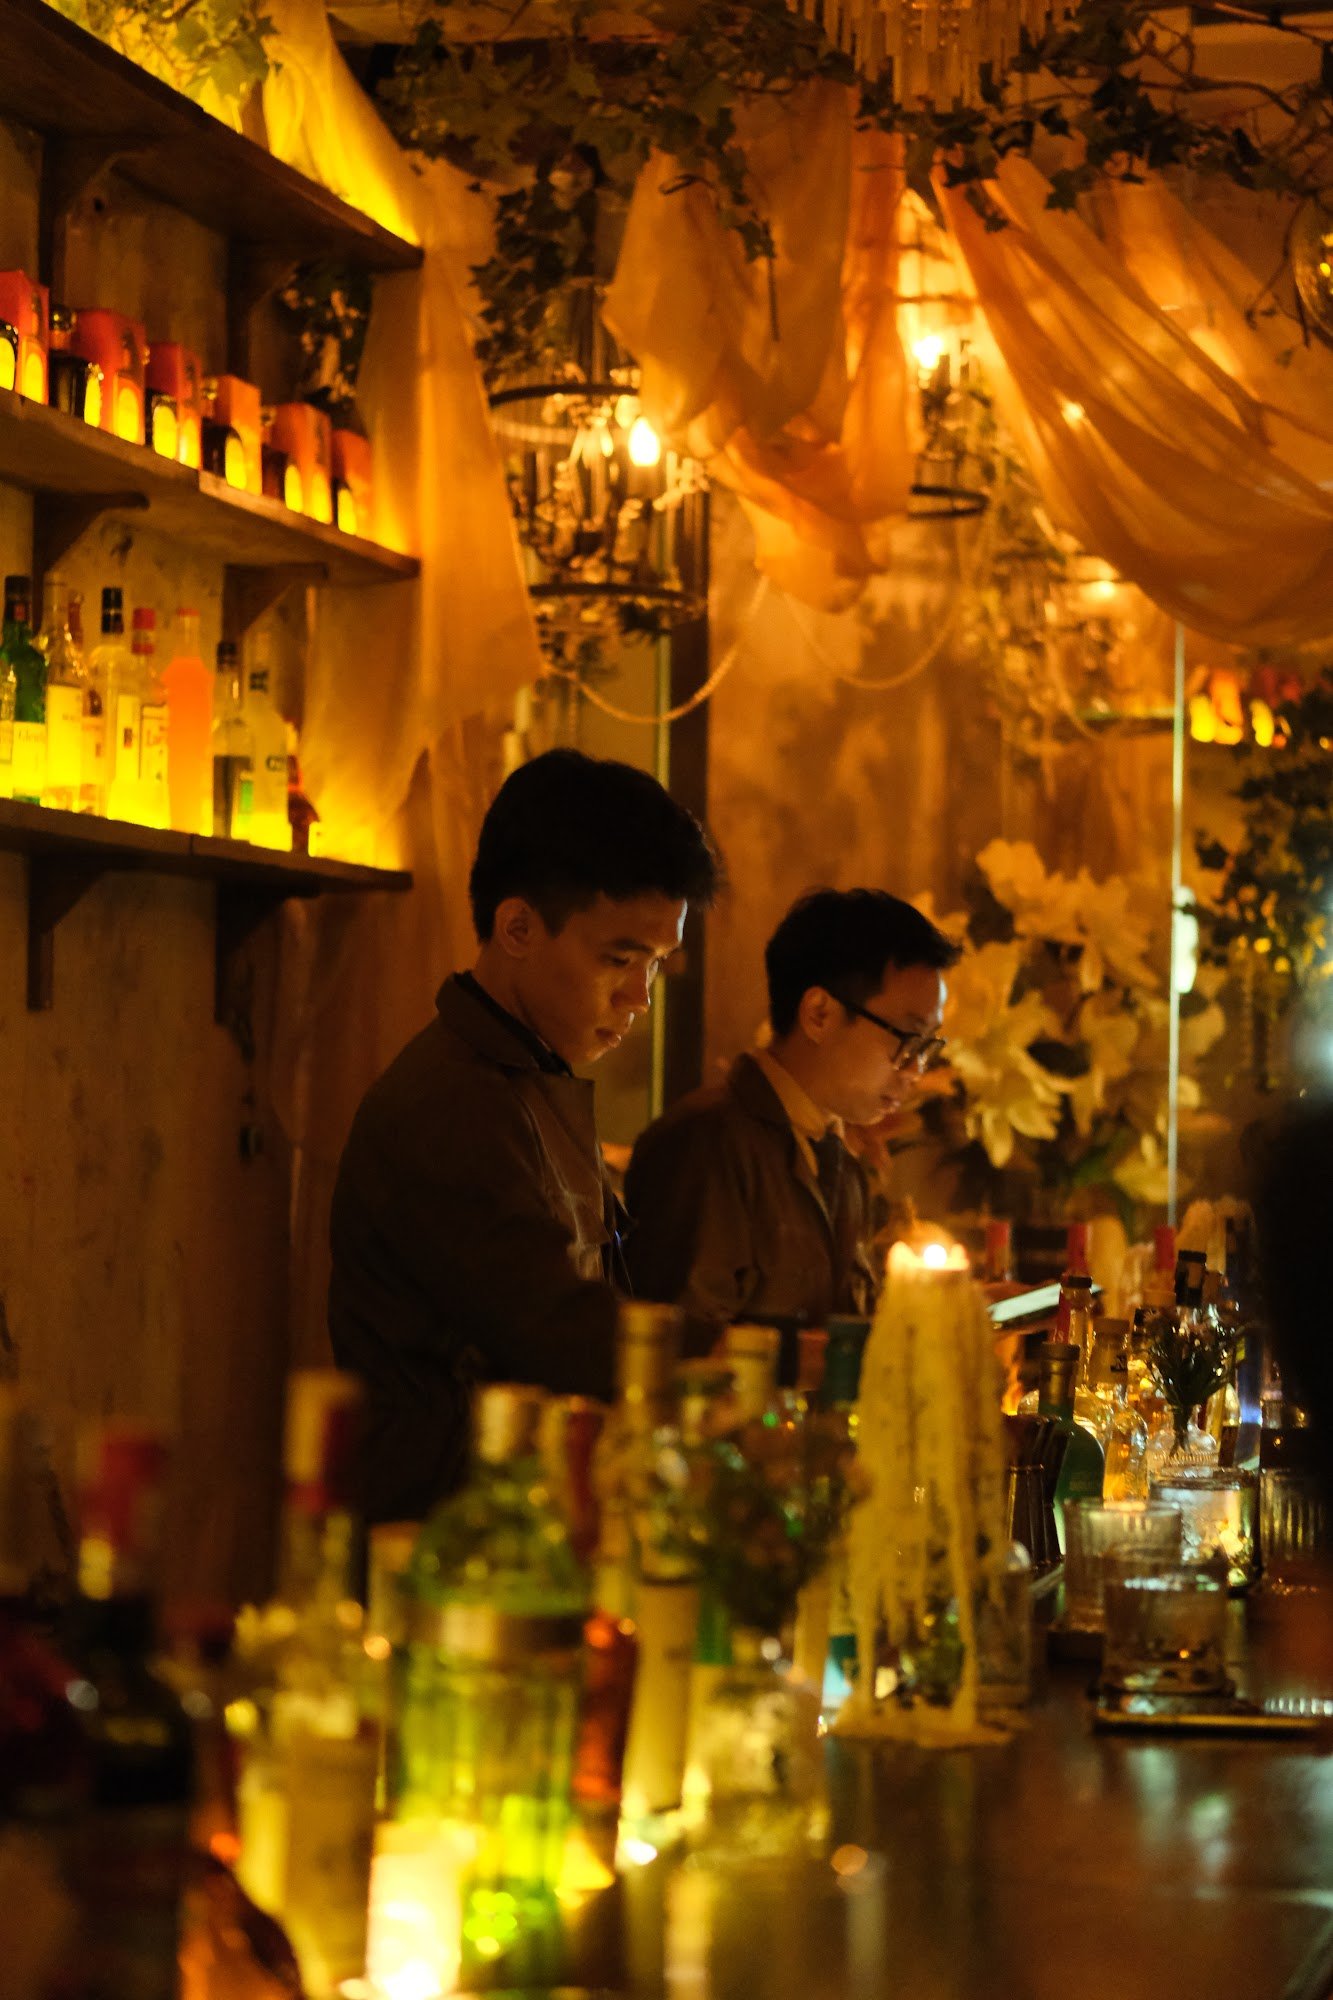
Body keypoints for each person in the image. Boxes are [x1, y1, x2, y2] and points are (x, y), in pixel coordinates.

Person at [328, 749, 719, 1523]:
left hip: (531, 1520)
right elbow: (556, 1331)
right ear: (517, 927)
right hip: (448, 1540)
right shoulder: (451, 1104)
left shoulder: (529, 1077)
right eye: (619, 959)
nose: (638, 998)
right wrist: (753, 1359)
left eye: (656, 967)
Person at [625, 888, 956, 1339]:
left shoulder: (836, 1146)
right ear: (819, 1013)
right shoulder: (707, 1142)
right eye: (908, 1039)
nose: (918, 1070)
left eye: (928, 1047)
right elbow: (679, 1346)